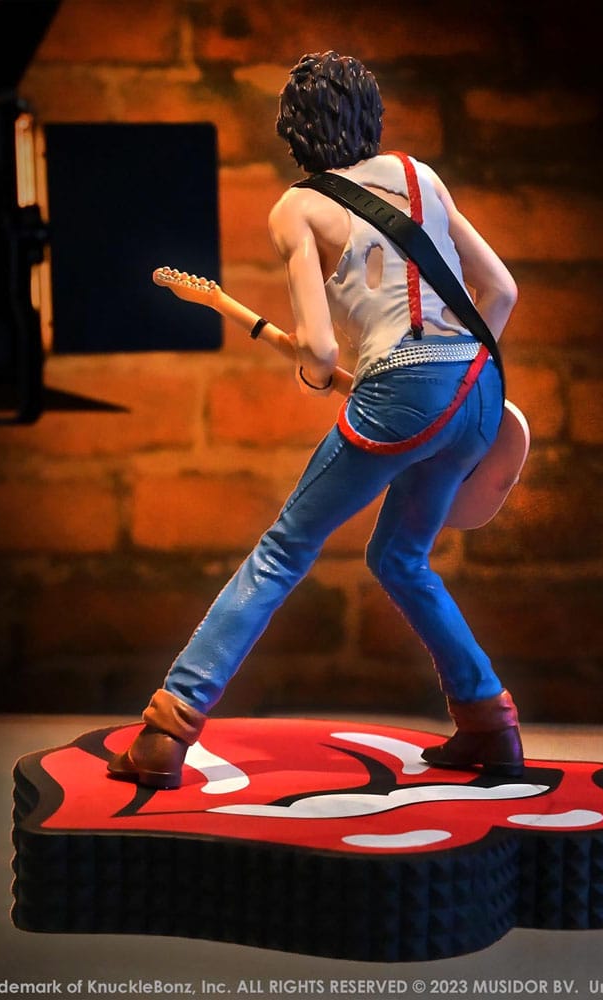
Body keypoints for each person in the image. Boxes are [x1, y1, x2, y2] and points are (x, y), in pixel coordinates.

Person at [108, 51, 523, 790]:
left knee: (282, 550)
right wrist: (455, 378)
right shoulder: (421, 176)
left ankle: (166, 733)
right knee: (401, 559)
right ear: (370, 114)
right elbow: (502, 292)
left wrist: (316, 374)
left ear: (294, 132)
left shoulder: (296, 208)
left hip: (401, 388)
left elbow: (323, 350)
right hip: (481, 387)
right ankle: (492, 726)